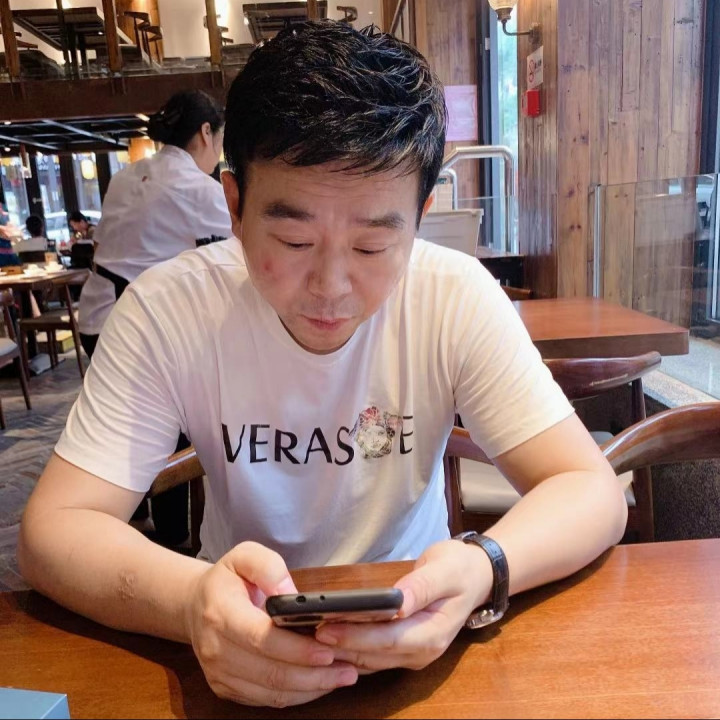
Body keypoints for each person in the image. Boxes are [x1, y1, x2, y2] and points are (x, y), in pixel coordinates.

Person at [18, 21, 627, 710]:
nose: (331, 287)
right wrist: (192, 601)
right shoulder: (169, 310)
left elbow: (589, 488)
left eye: (372, 247)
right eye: (293, 239)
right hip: (232, 646)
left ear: (419, 217)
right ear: (234, 205)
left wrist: (484, 566)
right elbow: (52, 532)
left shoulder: (454, 296)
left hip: (421, 649)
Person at [76, 89, 231, 547]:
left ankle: (133, 512)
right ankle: (173, 539)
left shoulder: (126, 176)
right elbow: (244, 245)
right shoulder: (201, 189)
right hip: (141, 328)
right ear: (206, 132)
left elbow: (104, 246)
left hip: (96, 316)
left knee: (125, 422)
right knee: (172, 431)